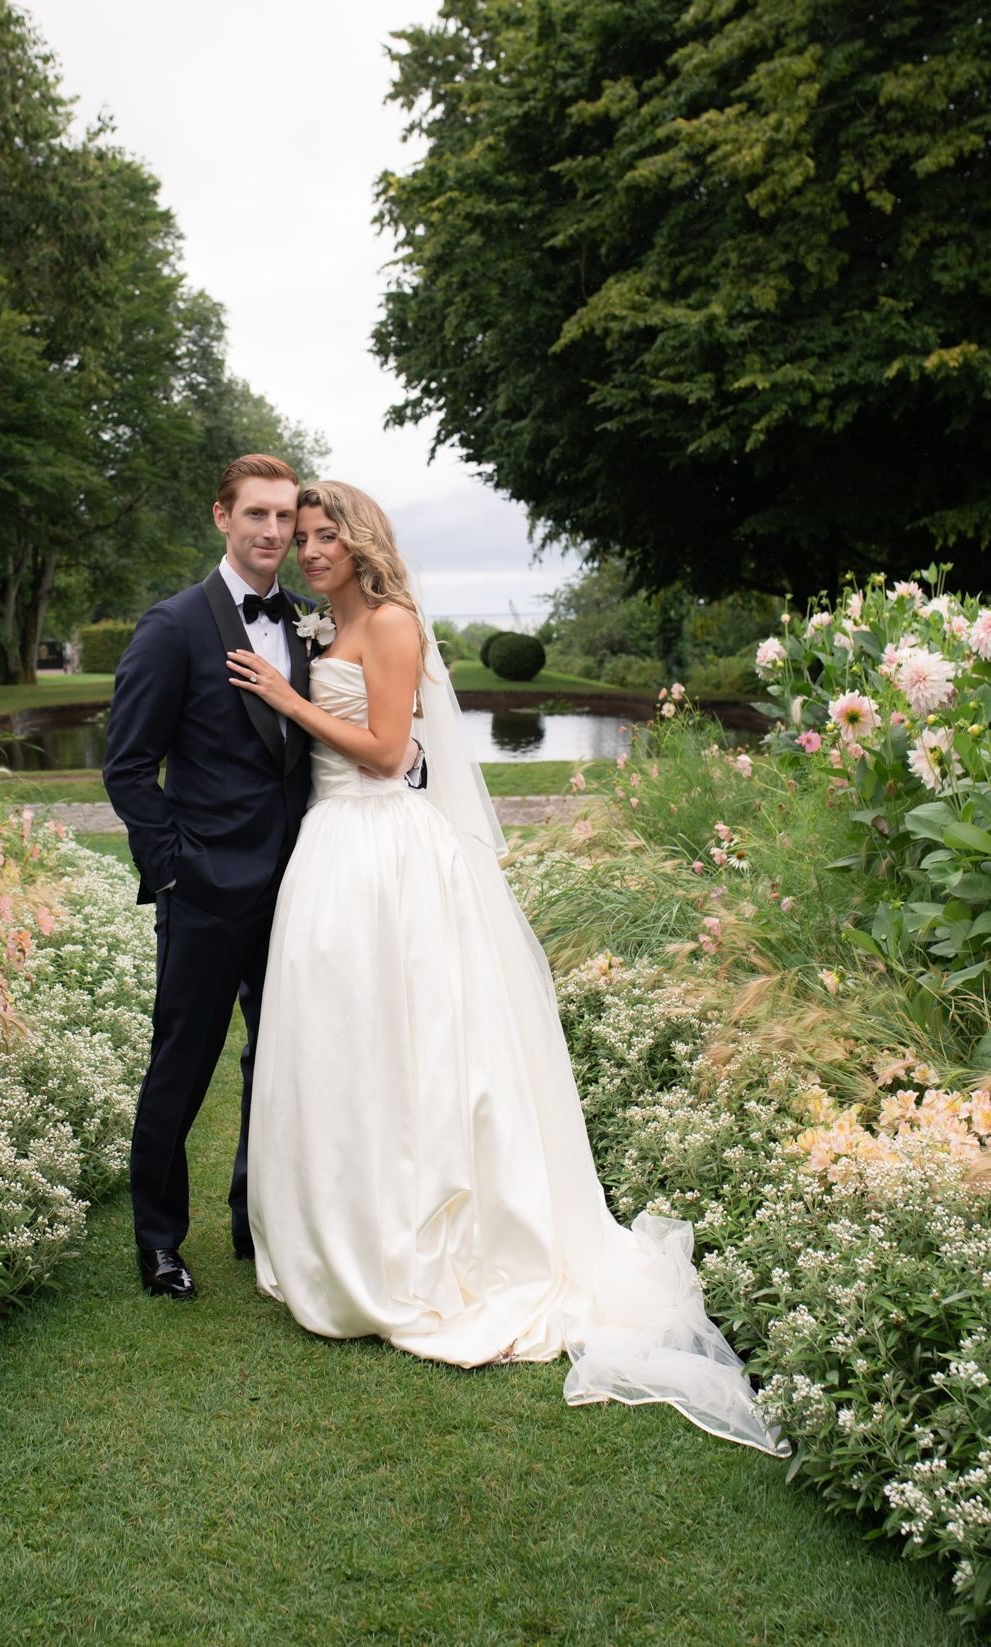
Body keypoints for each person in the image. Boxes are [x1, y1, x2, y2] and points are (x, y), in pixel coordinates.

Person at [227, 480, 789, 1456]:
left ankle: (424, 1247)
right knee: (339, 1048)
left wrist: (286, 699)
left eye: (326, 535)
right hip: (328, 852)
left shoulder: (392, 623)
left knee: (418, 1049)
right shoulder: (323, 628)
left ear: (361, 542)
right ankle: (341, 1233)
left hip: (382, 848)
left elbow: (390, 752)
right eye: (302, 536)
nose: (310, 549)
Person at [104, 455, 419, 1301]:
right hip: (205, 890)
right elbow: (128, 767)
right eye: (260, 517)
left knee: (280, 1061)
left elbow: (357, 733)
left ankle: (257, 1214)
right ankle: (160, 1241)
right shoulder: (172, 628)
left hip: (306, 885)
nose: (277, 533)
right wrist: (173, 869)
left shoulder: (314, 622)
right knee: (183, 1063)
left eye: (288, 518)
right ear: (222, 518)